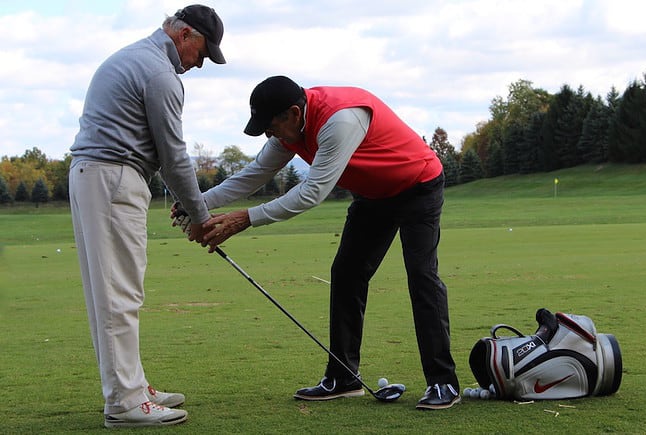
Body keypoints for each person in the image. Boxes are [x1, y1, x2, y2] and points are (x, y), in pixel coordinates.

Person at [179, 75, 461, 410]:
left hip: (419, 185)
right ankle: (343, 378)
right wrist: (197, 204)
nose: (270, 136)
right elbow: (254, 174)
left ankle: (443, 382)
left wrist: (245, 219)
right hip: (374, 197)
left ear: (294, 114)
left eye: (271, 127)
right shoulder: (290, 131)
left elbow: (312, 192)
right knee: (347, 274)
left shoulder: (340, 120)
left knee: (421, 276)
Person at [68, 5, 225, 428]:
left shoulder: (136, 56)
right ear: (185, 36)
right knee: (120, 294)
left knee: (113, 292)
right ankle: (125, 402)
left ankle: (131, 387)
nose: (199, 64)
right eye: (203, 53)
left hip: (94, 174)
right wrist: (201, 217)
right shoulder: (159, 74)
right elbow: (175, 159)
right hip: (113, 177)